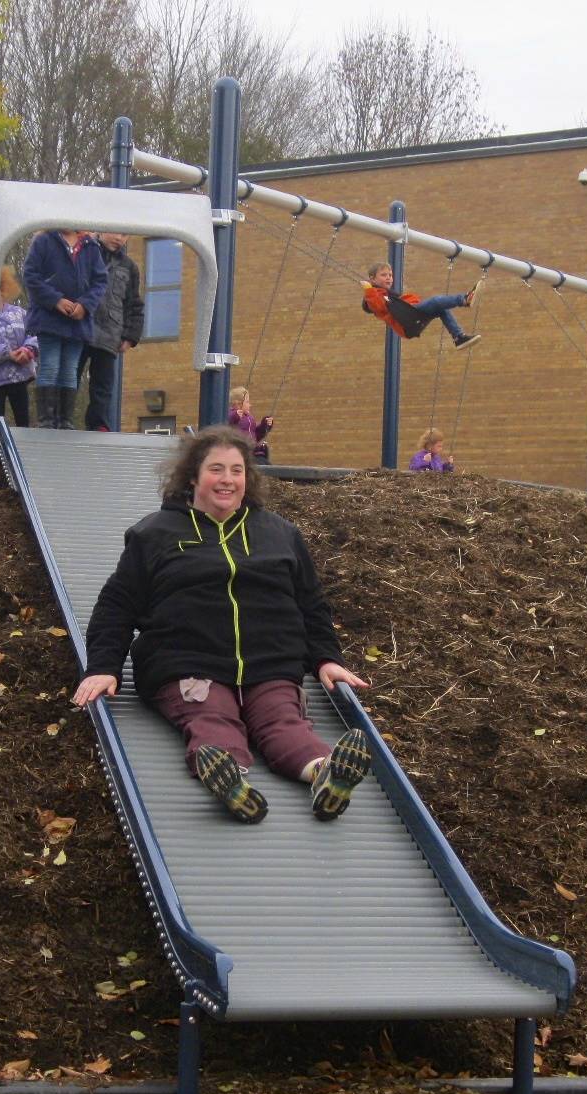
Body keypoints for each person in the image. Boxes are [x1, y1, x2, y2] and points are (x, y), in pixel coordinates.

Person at [72, 427, 373, 825]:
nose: (228, 480)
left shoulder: (277, 533)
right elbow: (117, 604)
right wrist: (103, 667)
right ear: (193, 477)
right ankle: (230, 780)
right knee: (211, 716)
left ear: (248, 478)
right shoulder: (156, 535)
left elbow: (310, 602)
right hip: (189, 663)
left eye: (236, 470)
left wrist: (325, 659)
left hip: (269, 662)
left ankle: (324, 774)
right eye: (216, 469)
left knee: (282, 721)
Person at [21, 229, 108, 430]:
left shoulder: (91, 246)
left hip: (77, 322)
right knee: (50, 365)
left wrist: (85, 305)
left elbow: (100, 282)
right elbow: (31, 276)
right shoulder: (44, 241)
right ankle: (47, 419)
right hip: (49, 318)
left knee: (70, 369)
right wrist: (55, 300)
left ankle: (65, 419)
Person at [81, 232, 144, 432]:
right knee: (70, 377)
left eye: (125, 235)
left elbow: (134, 304)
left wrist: (130, 336)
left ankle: (98, 423)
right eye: (115, 232)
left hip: (110, 331)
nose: (119, 238)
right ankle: (62, 419)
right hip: (81, 328)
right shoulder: (85, 254)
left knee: (103, 384)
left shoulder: (129, 267)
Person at [361, 263, 482, 351]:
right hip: (408, 320)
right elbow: (378, 306)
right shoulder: (373, 297)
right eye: (383, 275)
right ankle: (464, 299)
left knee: (440, 309)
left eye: (390, 275)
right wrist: (369, 289)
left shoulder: (390, 296)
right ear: (372, 278)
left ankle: (459, 337)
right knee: (436, 301)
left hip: (411, 317)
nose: (388, 278)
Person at [0, 265, 38, 427]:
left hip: (19, 374)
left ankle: (23, 445)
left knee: (22, 414)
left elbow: (33, 332)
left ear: (2, 290)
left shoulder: (18, 313)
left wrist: (28, 349)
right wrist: (8, 353)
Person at [227, 386, 273, 463]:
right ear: (238, 403)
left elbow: (256, 435)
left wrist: (265, 425)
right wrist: (235, 415)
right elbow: (228, 422)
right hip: (241, 451)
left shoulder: (250, 418)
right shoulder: (231, 414)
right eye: (247, 402)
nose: (250, 405)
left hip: (253, 451)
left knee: (264, 462)